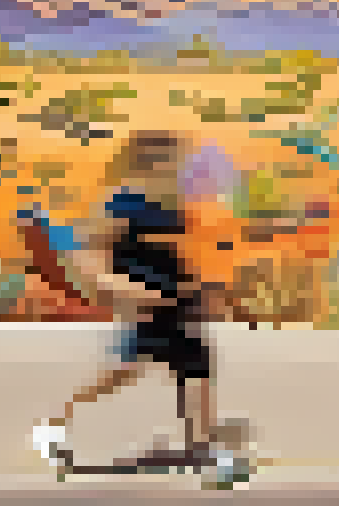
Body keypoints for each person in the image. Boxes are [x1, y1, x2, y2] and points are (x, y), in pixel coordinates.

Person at [33, 130, 236, 473]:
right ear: (153, 163)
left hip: (175, 301)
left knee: (196, 369)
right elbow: (92, 258)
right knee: (126, 373)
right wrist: (127, 291)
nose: (183, 167)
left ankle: (202, 446)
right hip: (148, 305)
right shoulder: (123, 203)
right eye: (176, 160)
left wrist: (200, 290)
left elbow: (177, 254)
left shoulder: (172, 204)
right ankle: (54, 424)